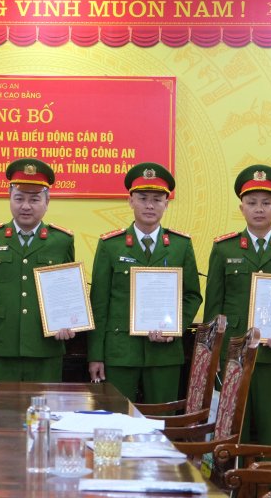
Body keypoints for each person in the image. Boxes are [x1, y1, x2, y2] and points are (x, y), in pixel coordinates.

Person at [204, 165, 271, 445]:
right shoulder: (224, 249)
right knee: (233, 430)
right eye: (252, 203)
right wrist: (214, 355)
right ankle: (234, 488)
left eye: (267, 203)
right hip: (233, 355)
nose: (259, 209)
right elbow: (214, 307)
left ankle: (270, 488)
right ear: (241, 208)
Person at [87, 162, 202, 404]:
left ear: (166, 204)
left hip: (165, 353)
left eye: (157, 199)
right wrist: (95, 355)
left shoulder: (181, 246)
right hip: (120, 352)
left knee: (162, 425)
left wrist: (174, 327)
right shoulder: (111, 245)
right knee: (118, 420)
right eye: (142, 198)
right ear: (130, 201)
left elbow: (192, 295)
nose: (150, 205)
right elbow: (99, 302)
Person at [0, 158, 76, 382]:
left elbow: (68, 295)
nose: (26, 206)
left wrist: (69, 321)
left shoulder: (62, 241)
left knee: (45, 414)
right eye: (19, 198)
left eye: (34, 199)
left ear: (47, 201)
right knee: (0, 415)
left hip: (45, 348)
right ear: (9, 199)